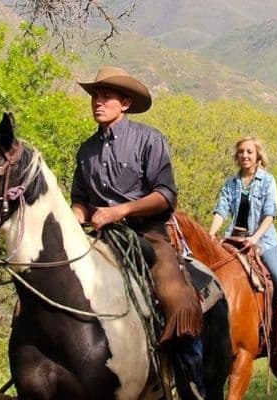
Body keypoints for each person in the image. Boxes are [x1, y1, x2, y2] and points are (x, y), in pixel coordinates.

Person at [70, 65, 205, 398]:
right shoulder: (86, 150)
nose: (97, 102)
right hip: (100, 239)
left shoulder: (149, 139)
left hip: (149, 236)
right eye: (94, 97)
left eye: (105, 97)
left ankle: (192, 383)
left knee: (178, 300)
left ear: (125, 103)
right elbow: (80, 202)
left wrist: (121, 210)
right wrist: (73, 216)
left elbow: (166, 195)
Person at [207, 137, 277, 354]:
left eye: (249, 152)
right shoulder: (231, 183)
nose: (245, 155)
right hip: (233, 239)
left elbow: (269, 215)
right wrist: (211, 234)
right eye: (241, 152)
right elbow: (222, 210)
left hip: (264, 240)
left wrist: (255, 238)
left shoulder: (268, 181)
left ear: (258, 155)